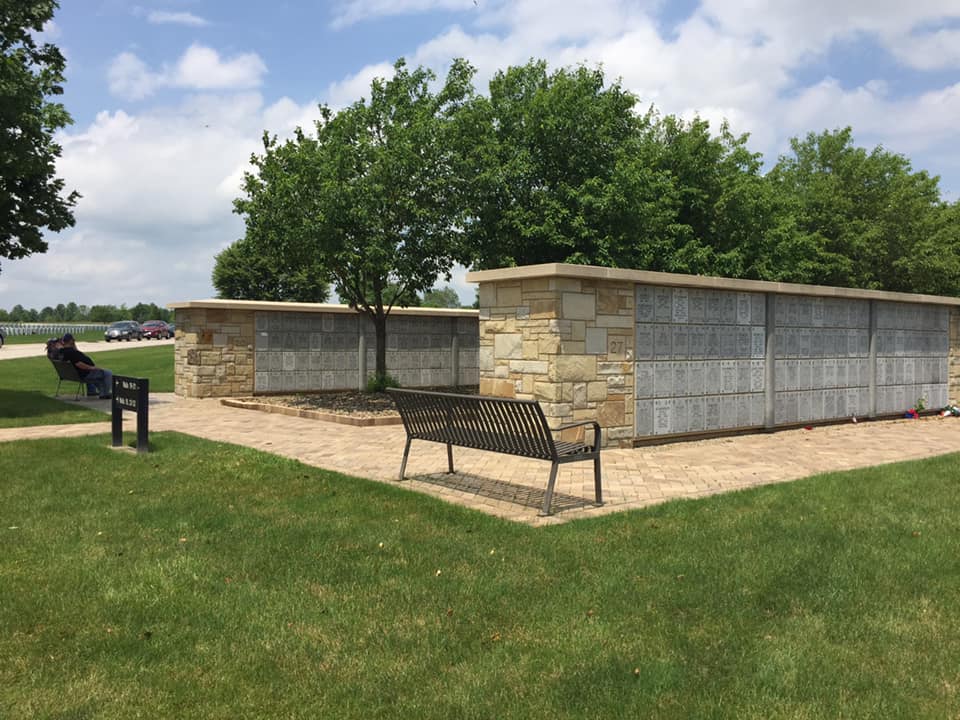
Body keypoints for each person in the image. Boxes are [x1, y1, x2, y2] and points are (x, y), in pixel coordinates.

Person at [59, 333, 113, 399]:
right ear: (70, 341)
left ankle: (93, 391)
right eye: (73, 340)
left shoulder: (63, 351)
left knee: (99, 374)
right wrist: (92, 368)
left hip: (76, 374)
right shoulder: (71, 352)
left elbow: (76, 357)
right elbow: (79, 364)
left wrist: (73, 346)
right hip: (84, 374)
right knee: (108, 373)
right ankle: (105, 394)